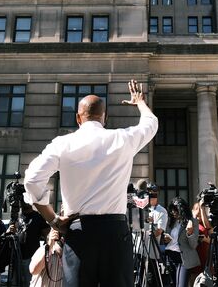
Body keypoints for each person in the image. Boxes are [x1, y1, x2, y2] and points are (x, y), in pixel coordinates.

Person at [23, 79, 158, 287]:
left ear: (78, 118)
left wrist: (53, 219)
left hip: (79, 230)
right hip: (114, 231)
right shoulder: (122, 139)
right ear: (105, 118)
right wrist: (139, 101)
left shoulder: (63, 144)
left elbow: (32, 179)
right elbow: (150, 124)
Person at [6, 202, 50, 285]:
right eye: (22, 202)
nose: (24, 204)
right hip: (16, 256)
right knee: (16, 282)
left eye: (26, 201)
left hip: (31, 256)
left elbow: (47, 233)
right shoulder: (17, 217)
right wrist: (9, 231)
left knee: (29, 282)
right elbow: (9, 233)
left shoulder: (38, 217)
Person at [162, 196, 199, 287]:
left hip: (184, 258)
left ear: (182, 210)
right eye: (172, 210)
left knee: (181, 285)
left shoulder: (192, 222)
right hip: (170, 257)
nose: (173, 212)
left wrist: (189, 233)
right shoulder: (170, 221)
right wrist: (165, 238)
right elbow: (164, 237)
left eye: (176, 210)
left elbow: (194, 245)